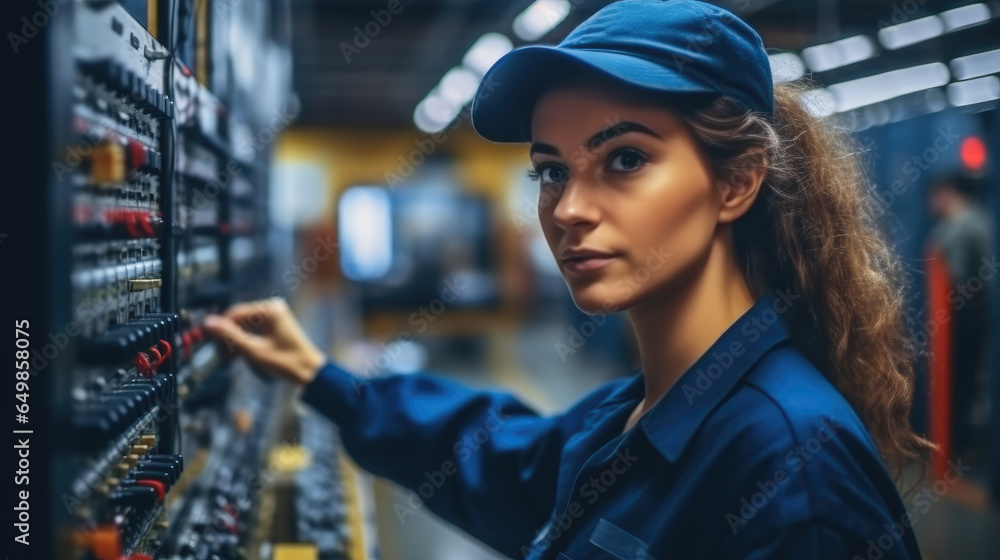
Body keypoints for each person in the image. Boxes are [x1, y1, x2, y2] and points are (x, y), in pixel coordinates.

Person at [203, 1, 933, 558]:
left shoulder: (790, 476)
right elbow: (504, 462)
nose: (570, 209)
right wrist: (321, 376)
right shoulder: (637, 414)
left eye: (624, 159)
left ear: (736, 182)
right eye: (553, 171)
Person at [926, 174, 992, 459]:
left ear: (946, 192)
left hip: (960, 322)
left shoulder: (961, 225)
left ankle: (954, 450)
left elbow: (955, 278)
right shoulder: (979, 219)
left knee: (958, 384)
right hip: (969, 319)